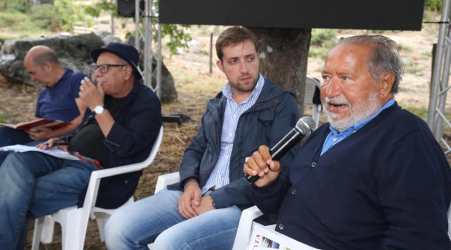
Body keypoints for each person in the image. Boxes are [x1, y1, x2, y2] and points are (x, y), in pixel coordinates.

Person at [244, 35, 451, 250]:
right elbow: (284, 209)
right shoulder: (325, 133)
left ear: (384, 83)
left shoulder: (407, 142)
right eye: (326, 77)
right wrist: (268, 184)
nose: (330, 91)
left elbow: (420, 239)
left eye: (345, 78)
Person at [104, 27, 299, 250]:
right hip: (197, 193)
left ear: (258, 57)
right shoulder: (217, 104)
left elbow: (280, 168)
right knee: (116, 229)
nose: (244, 69)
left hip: (242, 205)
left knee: (168, 244)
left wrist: (217, 199)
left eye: (250, 58)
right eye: (234, 61)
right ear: (221, 65)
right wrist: (190, 183)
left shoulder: (281, 104)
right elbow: (194, 150)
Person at [0, 42, 162, 249]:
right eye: (97, 68)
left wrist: (97, 107)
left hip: (100, 173)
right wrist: (61, 140)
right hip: (68, 155)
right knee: (15, 160)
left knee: (14, 192)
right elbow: (86, 130)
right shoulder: (107, 96)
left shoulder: (145, 102)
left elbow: (126, 148)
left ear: (126, 71)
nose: (98, 74)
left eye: (105, 68)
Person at [0, 45, 84, 147]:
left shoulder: (76, 80)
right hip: (40, 139)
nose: (33, 78)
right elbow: (38, 122)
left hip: (61, 141)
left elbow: (83, 119)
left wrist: (51, 135)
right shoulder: (43, 93)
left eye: (33, 73)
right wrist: (32, 129)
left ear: (47, 67)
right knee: (4, 134)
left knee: (12, 153)